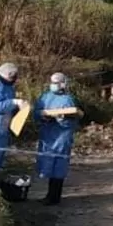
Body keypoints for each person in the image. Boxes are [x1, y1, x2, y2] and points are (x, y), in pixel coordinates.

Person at [34, 72, 80, 205]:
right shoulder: (45, 97)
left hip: (61, 136)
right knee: (47, 164)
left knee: (58, 166)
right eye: (52, 82)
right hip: (47, 136)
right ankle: (49, 194)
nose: (53, 85)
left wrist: (62, 118)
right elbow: (36, 112)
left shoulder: (68, 100)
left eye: (56, 83)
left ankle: (54, 196)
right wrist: (43, 116)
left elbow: (73, 119)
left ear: (63, 84)